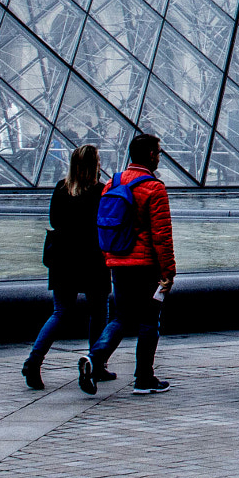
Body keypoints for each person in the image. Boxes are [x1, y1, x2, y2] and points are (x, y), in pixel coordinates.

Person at [80, 134, 174, 396]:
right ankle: (144, 379)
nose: (159, 156)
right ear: (150, 156)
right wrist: (168, 271)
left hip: (117, 261)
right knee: (149, 322)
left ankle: (94, 358)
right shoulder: (154, 188)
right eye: (158, 152)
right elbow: (162, 235)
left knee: (121, 317)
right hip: (145, 265)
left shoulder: (112, 182)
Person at [25, 144, 109, 390]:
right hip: (93, 258)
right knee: (99, 312)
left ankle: (34, 361)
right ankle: (96, 364)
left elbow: (54, 220)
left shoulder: (61, 188)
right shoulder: (100, 191)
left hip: (62, 259)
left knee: (60, 312)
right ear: (95, 164)